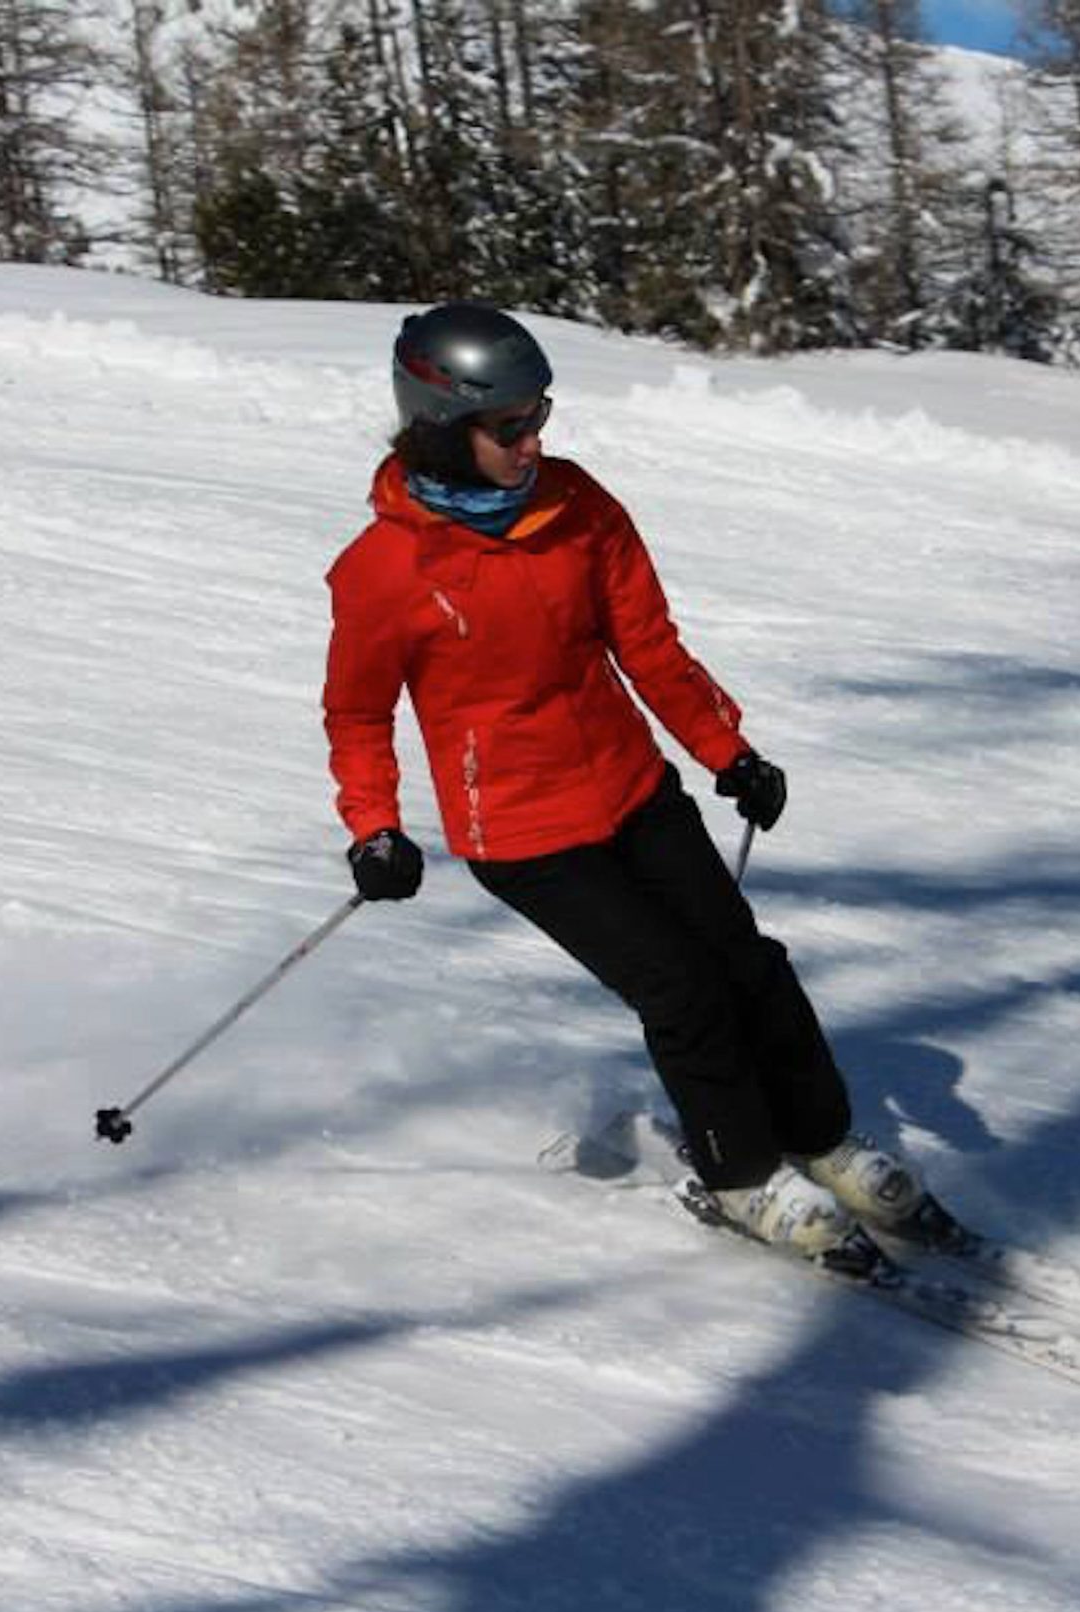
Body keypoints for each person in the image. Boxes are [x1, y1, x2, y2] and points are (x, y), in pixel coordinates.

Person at [321, 302, 937, 1268]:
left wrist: (726, 750)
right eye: (509, 426)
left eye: (541, 416)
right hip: (523, 834)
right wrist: (374, 828)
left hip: (630, 783)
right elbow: (358, 715)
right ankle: (740, 1177)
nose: (534, 442)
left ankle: (821, 1139)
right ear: (441, 425)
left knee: (747, 960)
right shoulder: (384, 572)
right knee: (680, 987)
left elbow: (648, 645)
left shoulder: (577, 507)